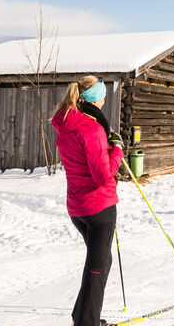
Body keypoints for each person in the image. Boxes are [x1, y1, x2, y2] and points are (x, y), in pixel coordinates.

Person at [51, 75, 125, 326]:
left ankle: (82, 318)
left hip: (78, 208)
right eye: (104, 95)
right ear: (96, 98)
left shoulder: (67, 121)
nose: (105, 99)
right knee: (97, 266)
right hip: (99, 207)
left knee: (100, 261)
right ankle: (86, 323)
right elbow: (103, 175)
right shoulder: (91, 128)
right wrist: (117, 149)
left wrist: (108, 145)